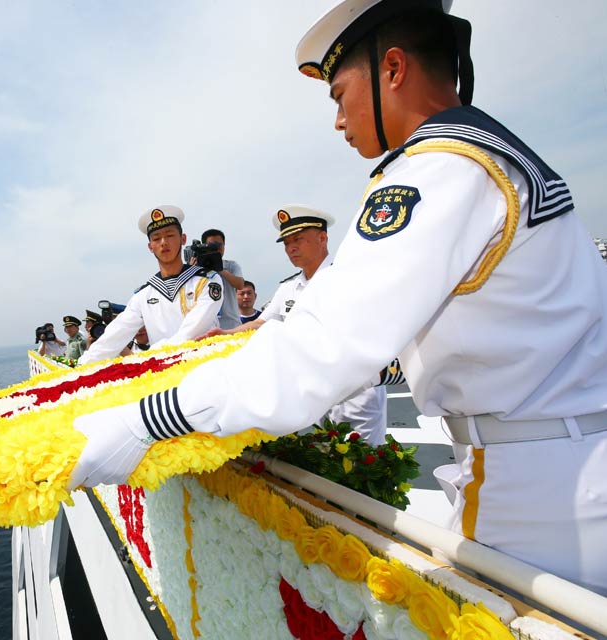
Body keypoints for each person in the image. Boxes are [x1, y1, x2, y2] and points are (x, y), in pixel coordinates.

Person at [68, 0, 607, 595]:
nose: (338, 119)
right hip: (556, 459)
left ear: (393, 69)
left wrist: (146, 422)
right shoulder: (487, 154)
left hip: (541, 490)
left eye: (338, 93)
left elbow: (321, 346)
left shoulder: (439, 171)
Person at [203, 206, 388, 445]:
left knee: (365, 465)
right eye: (286, 243)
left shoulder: (349, 277)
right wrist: (226, 333)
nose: (291, 248)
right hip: (315, 394)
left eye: (298, 239)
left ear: (323, 237)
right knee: (327, 463)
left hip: (356, 394)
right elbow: (261, 322)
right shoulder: (289, 288)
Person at [78, 206, 225, 364]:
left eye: (169, 235)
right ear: (150, 247)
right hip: (163, 374)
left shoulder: (207, 281)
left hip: (204, 365)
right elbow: (115, 335)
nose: (163, 242)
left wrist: (149, 356)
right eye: (156, 238)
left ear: (183, 239)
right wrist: (82, 364)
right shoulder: (143, 295)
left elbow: (192, 331)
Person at [199, 229, 245, 330]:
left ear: (224, 246)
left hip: (231, 325)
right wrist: (193, 268)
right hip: (207, 327)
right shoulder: (198, 268)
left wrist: (220, 269)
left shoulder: (231, 265)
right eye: (211, 245)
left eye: (219, 245)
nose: (216, 248)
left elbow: (240, 285)